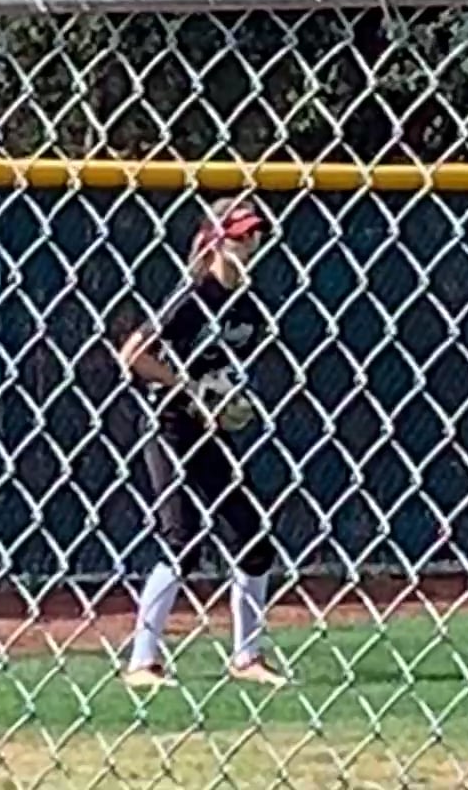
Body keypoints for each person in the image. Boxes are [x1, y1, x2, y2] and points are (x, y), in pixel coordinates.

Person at [115, 197, 289, 689]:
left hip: (207, 429)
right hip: (168, 424)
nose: (250, 243)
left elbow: (227, 370)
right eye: (240, 235)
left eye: (255, 234)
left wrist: (226, 397)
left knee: (252, 539)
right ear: (216, 241)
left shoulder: (248, 307)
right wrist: (188, 388)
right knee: (182, 543)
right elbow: (133, 354)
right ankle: (142, 663)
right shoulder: (192, 296)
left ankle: (246, 657)